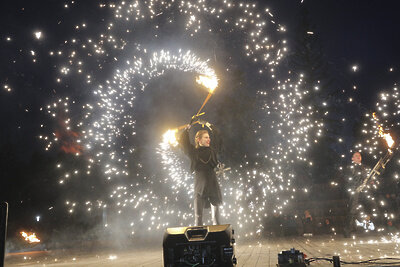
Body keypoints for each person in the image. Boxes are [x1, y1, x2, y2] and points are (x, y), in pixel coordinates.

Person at [178, 123, 222, 226]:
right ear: (199, 139)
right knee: (198, 218)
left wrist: (209, 125)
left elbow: (218, 137)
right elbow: (184, 143)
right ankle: (198, 240)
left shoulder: (213, 150)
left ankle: (218, 240)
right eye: (206, 137)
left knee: (216, 218)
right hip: (199, 187)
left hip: (212, 185)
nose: (209, 139)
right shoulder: (194, 152)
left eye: (209, 137)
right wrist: (187, 130)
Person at [343, 152, 370, 237]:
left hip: (364, 191)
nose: (358, 156)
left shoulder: (365, 167)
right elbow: (348, 179)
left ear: (360, 158)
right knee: (352, 211)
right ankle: (348, 231)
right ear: (352, 159)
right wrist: (356, 186)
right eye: (355, 156)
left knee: (364, 209)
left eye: (359, 155)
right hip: (354, 191)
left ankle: (363, 228)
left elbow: (370, 177)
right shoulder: (350, 168)